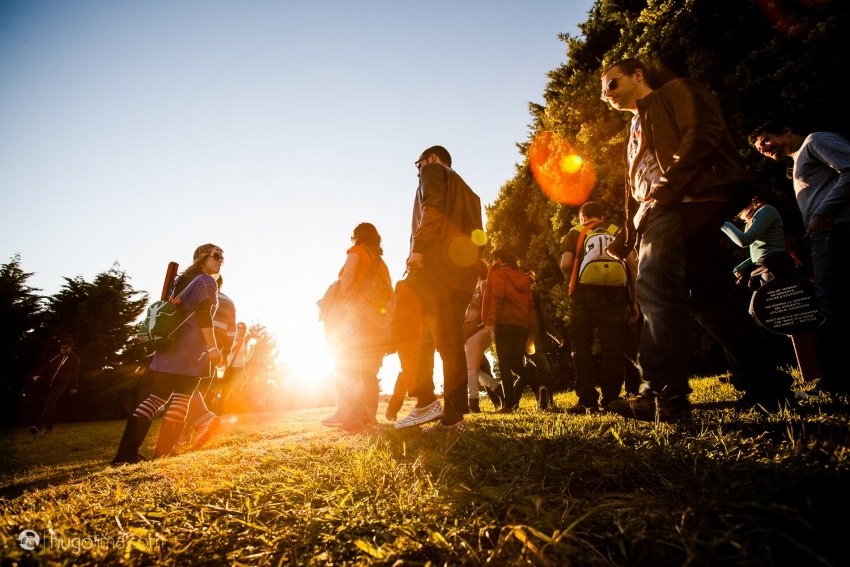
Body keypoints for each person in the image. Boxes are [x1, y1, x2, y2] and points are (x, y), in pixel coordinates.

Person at [599, 58, 794, 422]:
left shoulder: (677, 91)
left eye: (611, 84)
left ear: (638, 75)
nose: (605, 95)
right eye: (602, 90)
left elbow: (703, 133)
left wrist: (666, 192)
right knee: (710, 298)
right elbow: (635, 187)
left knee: (655, 288)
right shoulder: (634, 129)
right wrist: (626, 237)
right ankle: (765, 384)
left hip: (680, 201)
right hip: (662, 207)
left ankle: (661, 393)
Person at [748, 121, 850, 394]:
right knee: (833, 301)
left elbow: (849, 169)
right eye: (760, 149)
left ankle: (837, 381)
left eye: (767, 140)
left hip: (836, 228)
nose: (765, 149)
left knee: (831, 302)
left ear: (787, 130)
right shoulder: (797, 161)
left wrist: (822, 212)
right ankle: (837, 379)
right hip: (823, 233)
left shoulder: (815, 140)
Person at [394, 145, 484, 429]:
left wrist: (419, 249)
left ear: (431, 159)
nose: (418, 169)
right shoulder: (470, 193)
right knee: (450, 342)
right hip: (462, 274)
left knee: (403, 319)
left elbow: (433, 207)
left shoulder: (433, 171)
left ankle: (423, 400)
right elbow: (479, 237)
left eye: (417, 164)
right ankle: (454, 415)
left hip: (434, 264)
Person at [112, 243, 223, 465]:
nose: (220, 260)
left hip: (168, 348)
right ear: (202, 257)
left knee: (154, 398)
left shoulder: (181, 281)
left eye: (222, 257)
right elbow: (204, 316)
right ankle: (163, 452)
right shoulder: (206, 281)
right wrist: (212, 347)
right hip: (190, 349)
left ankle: (125, 454)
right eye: (216, 255)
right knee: (182, 398)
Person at [321, 222, 392, 432]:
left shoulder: (357, 252)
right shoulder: (380, 263)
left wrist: (336, 303)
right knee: (368, 372)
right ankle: (368, 416)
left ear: (357, 237)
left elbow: (347, 281)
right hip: (375, 324)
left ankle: (346, 414)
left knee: (345, 365)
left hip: (355, 320)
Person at [560, 202, 630, 414]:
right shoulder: (615, 231)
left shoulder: (575, 232)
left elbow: (565, 264)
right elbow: (632, 264)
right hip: (615, 294)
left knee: (581, 345)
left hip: (584, 294)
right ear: (601, 215)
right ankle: (611, 399)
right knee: (612, 346)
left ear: (583, 217)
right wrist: (633, 301)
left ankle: (587, 400)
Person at [177, 281, 237, 451]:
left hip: (196, 346)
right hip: (215, 353)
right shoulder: (229, 302)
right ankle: (183, 438)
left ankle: (205, 418)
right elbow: (231, 331)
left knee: (184, 388)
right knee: (196, 392)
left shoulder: (196, 295)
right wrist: (225, 354)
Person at [481, 248, 537, 413]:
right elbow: (530, 303)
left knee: (505, 365)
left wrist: (490, 321)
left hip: (505, 323)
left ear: (497, 259)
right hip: (521, 325)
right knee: (516, 363)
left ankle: (509, 404)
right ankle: (539, 384)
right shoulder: (523, 278)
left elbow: (497, 297)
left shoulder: (499, 273)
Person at [721, 194, 797, 288]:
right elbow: (761, 250)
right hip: (765, 269)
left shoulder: (766, 211)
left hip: (776, 268)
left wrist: (722, 223)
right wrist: (744, 265)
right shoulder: (753, 218)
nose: (740, 216)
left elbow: (745, 240)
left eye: (740, 212)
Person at [462, 260, 499, 413]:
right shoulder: (474, 287)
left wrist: (486, 327)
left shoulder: (483, 285)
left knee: (470, 368)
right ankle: (497, 388)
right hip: (472, 333)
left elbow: (488, 306)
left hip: (478, 331)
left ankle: (473, 403)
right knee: (473, 368)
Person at [29, 338, 80, 434]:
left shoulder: (75, 359)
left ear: (70, 348)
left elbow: (75, 373)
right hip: (50, 383)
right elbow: (46, 366)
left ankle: (37, 426)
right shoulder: (55, 356)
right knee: (50, 405)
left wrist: (74, 387)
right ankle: (49, 428)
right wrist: (37, 374)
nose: (63, 350)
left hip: (62, 384)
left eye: (65, 348)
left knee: (49, 403)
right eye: (61, 348)